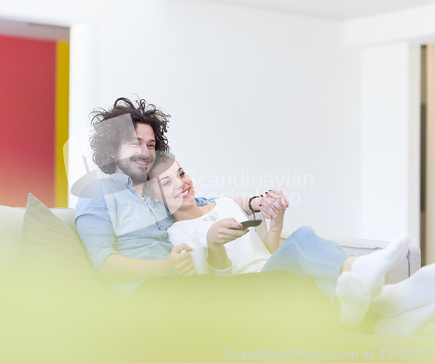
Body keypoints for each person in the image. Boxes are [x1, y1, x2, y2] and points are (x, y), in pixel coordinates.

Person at [146, 155, 429, 330]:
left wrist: (276, 223)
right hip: (244, 287)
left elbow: (266, 253)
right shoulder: (179, 233)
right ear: (156, 198)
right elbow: (212, 285)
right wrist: (213, 244)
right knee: (303, 236)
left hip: (270, 270)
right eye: (167, 182)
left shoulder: (225, 204)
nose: (181, 183)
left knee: (315, 249)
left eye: (181, 174)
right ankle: (368, 282)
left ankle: (374, 311)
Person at [75, 97, 261, 299]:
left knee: (252, 287)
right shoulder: (98, 191)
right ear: (112, 151)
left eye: (151, 145)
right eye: (135, 144)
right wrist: (164, 268)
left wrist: (255, 203)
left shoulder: (158, 193)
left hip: (184, 285)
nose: (145, 152)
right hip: (145, 293)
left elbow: (204, 202)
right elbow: (102, 263)